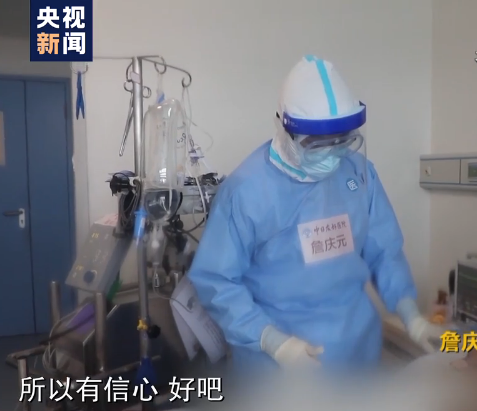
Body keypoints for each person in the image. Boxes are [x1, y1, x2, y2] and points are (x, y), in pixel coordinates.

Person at [189, 55, 442, 370]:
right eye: (318, 144)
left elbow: (385, 252)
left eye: (341, 141)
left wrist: (411, 316)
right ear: (285, 130)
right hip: (277, 368)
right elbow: (217, 281)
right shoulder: (247, 191)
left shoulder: (359, 174)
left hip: (357, 353)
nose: (333, 154)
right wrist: (272, 341)